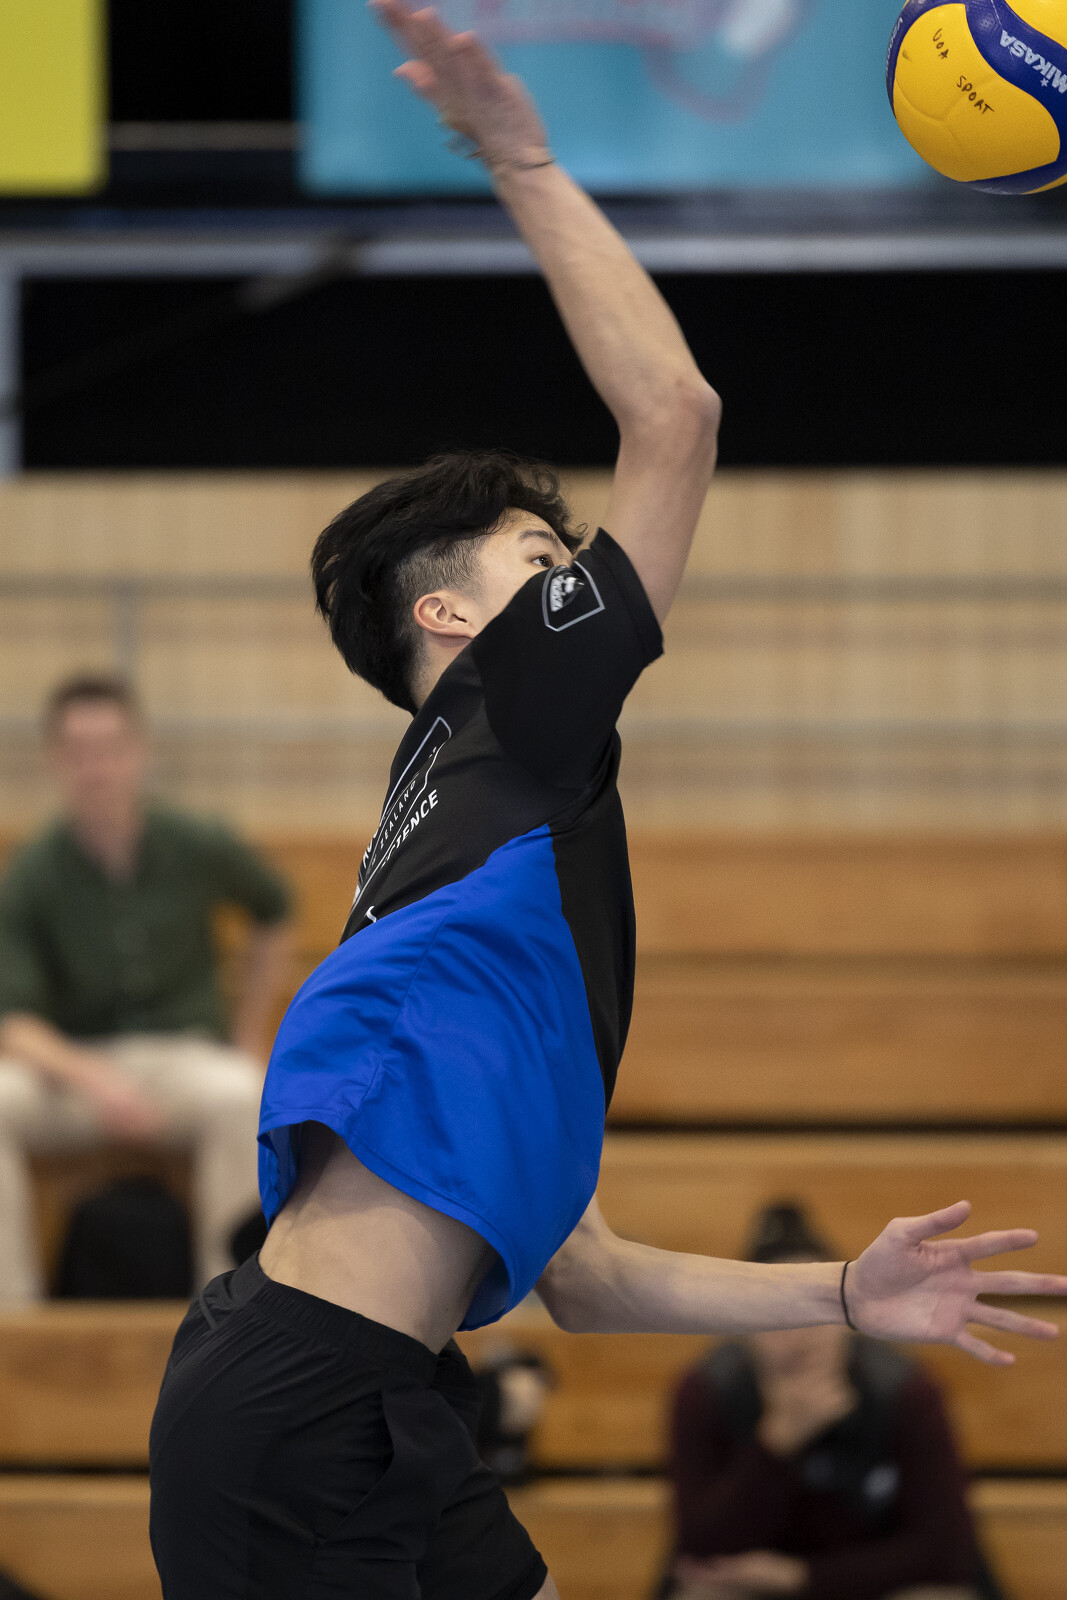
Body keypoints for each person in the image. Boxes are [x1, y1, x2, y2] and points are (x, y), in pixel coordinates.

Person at [148, 8, 1067, 1599]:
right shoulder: (507, 719)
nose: (580, 570)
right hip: (301, 1415)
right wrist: (519, 154)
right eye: (540, 554)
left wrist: (841, 1297)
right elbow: (676, 418)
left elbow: (580, 1279)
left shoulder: (479, 865)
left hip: (371, 1398)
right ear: (450, 616)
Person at [0, 673, 293, 1298]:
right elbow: (14, 1023)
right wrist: (96, 1081)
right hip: (75, 1070)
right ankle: (12, 1316)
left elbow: (274, 909)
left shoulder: (195, 841)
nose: (96, 768)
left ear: (139, 751)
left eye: (110, 748)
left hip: (183, 1059)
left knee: (242, 1093)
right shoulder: (33, 871)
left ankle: (233, 1312)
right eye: (78, 751)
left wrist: (249, 1036)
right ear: (54, 760)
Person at [669, 1205, 999, 1600]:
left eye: (819, 1310)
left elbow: (947, 1554)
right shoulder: (708, 1391)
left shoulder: (903, 1391)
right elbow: (698, 1550)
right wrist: (775, 1443)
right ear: (743, 1328)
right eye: (775, 1315)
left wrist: (802, 1577)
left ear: (849, 1320)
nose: (801, 1333)